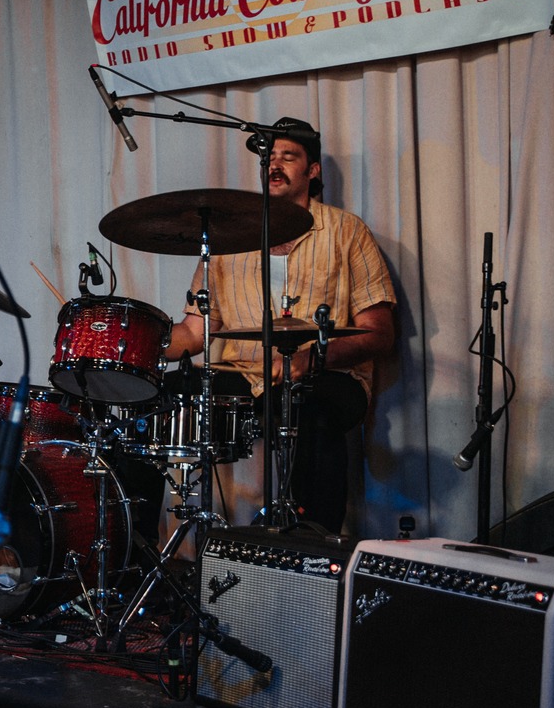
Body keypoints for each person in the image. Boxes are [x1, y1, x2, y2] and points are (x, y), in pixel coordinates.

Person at [164, 119, 396, 533]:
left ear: (313, 170)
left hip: (327, 377)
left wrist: (311, 360)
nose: (275, 165)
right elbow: (196, 332)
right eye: (269, 157)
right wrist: (140, 345)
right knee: (157, 396)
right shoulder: (228, 239)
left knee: (310, 409)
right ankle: (132, 542)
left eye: (288, 156)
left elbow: (379, 332)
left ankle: (313, 543)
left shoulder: (346, 231)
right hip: (243, 373)